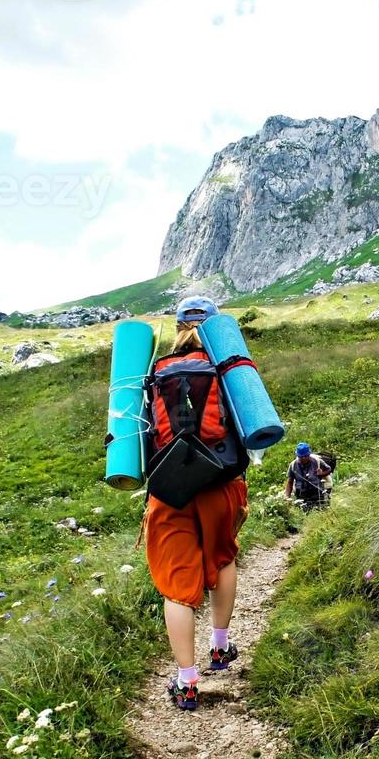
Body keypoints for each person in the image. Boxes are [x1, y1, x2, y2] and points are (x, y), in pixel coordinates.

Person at [143, 295, 249, 711]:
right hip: (221, 483)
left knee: (177, 586)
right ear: (214, 327)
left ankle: (187, 682)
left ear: (177, 328)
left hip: (169, 489)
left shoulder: (154, 373)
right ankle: (220, 649)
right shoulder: (228, 371)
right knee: (222, 559)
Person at [284, 442, 333, 510]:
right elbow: (290, 482)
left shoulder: (317, 461)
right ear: (297, 455)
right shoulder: (293, 465)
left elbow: (329, 469)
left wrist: (321, 474)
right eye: (301, 457)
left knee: (321, 511)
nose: (304, 458)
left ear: (309, 454)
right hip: (301, 495)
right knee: (305, 514)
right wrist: (287, 497)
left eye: (306, 456)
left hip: (317, 493)